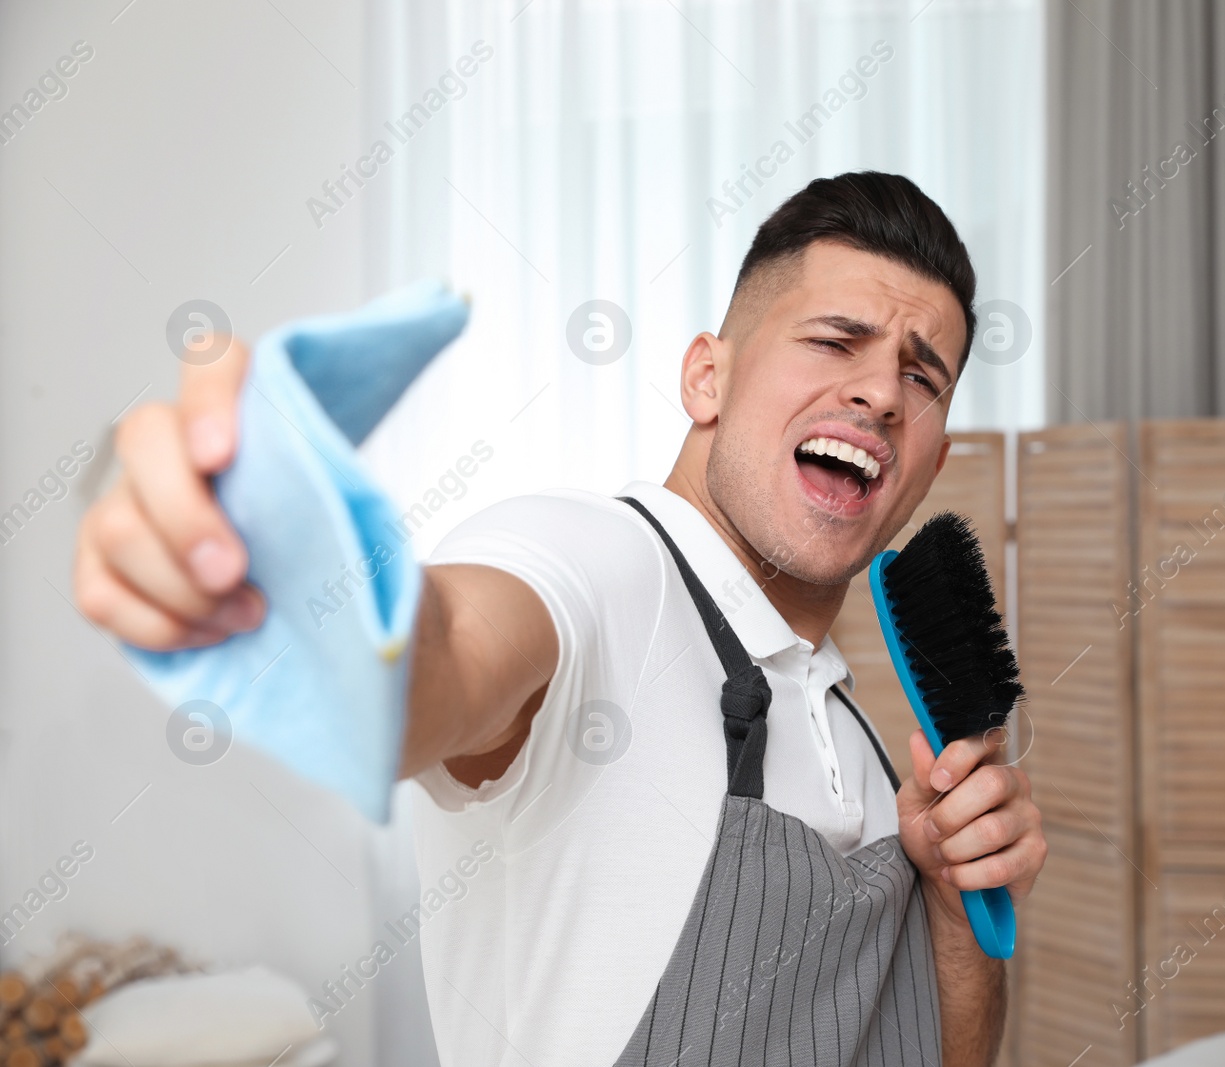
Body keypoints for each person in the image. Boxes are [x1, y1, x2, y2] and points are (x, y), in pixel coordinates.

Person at [74, 171, 1047, 1066]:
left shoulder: (870, 743)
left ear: (932, 454)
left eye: (922, 377)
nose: (881, 392)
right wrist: (264, 564)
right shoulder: (595, 565)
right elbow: (445, 654)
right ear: (706, 377)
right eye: (835, 341)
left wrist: (958, 911)